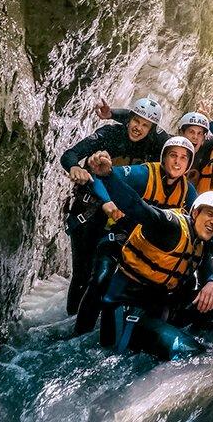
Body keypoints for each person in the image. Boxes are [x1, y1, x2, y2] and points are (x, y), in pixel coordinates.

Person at [86, 150, 213, 358]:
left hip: (159, 308)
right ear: (196, 213)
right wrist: (108, 176)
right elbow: (137, 207)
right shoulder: (170, 226)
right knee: (190, 352)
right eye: (209, 214)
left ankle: (177, 336)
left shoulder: (201, 243)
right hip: (129, 312)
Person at [73, 136, 198, 335]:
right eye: (173, 155)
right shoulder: (144, 174)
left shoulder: (188, 192)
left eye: (183, 158)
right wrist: (107, 201)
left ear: (188, 164)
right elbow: (101, 176)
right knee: (100, 279)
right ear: (164, 158)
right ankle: (80, 333)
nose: (177, 161)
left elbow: (197, 226)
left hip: (150, 251)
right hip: (122, 236)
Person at [60, 97, 166, 314]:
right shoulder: (108, 135)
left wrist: (114, 112)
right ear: (129, 120)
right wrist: (74, 167)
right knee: (83, 274)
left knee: (111, 272)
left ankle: (100, 321)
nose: (138, 128)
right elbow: (69, 154)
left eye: (145, 125)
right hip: (90, 211)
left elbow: (184, 146)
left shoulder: (155, 144)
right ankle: (72, 321)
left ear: (151, 129)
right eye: (136, 121)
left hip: (123, 217)